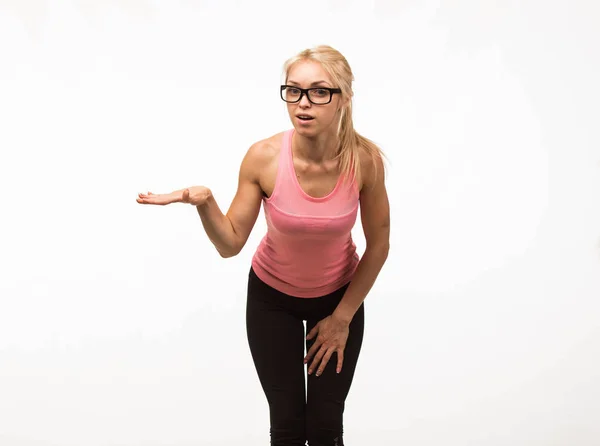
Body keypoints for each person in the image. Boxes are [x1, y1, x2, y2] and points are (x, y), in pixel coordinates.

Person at [137, 45, 390, 446]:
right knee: (287, 427)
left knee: (325, 428)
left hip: (339, 299)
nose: (303, 104)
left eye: (319, 92)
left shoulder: (365, 161)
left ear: (343, 98)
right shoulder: (264, 157)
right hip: (273, 300)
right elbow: (230, 243)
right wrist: (206, 204)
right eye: (294, 91)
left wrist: (342, 317)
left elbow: (378, 246)